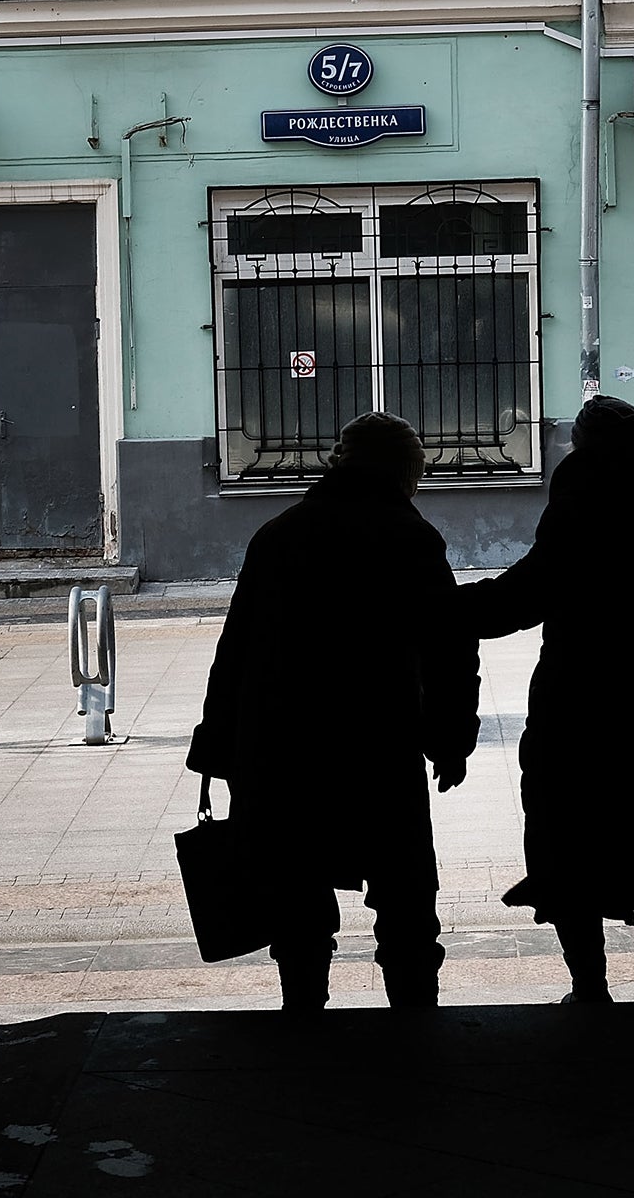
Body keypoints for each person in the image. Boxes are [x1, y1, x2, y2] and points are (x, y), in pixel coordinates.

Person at [456, 397, 634, 1003]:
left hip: (578, 706)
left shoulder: (578, 515)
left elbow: (518, 600)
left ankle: (589, 986)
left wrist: (442, 606)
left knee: (569, 842)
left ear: (584, 447)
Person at [185, 412, 481, 1011]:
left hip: (284, 747)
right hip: (377, 743)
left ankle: (304, 1021)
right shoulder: (409, 537)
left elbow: (236, 650)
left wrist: (217, 746)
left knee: (296, 897)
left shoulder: (281, 534)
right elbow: (449, 648)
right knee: (404, 895)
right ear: (404, 469)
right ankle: (415, 1021)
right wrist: (450, 738)